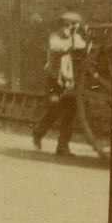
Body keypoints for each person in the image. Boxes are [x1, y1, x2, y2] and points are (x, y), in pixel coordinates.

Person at [33, 11, 90, 155]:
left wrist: (86, 41)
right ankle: (38, 132)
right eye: (66, 26)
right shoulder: (55, 37)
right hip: (55, 80)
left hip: (70, 80)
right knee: (54, 109)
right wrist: (72, 45)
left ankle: (63, 146)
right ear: (61, 26)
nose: (69, 29)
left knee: (70, 113)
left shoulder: (76, 38)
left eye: (73, 26)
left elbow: (83, 49)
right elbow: (57, 48)